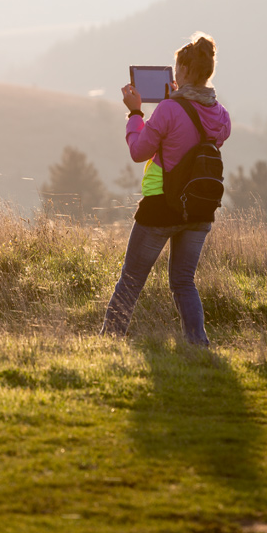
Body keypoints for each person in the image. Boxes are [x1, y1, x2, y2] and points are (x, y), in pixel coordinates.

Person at [101, 32, 231, 345]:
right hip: (199, 207)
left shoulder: (169, 110)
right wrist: (180, 98)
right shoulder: (221, 115)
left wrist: (135, 113)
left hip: (161, 207)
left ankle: (109, 341)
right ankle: (198, 344)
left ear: (183, 73)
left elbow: (139, 152)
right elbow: (194, 138)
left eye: (177, 69)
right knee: (184, 282)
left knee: (131, 280)